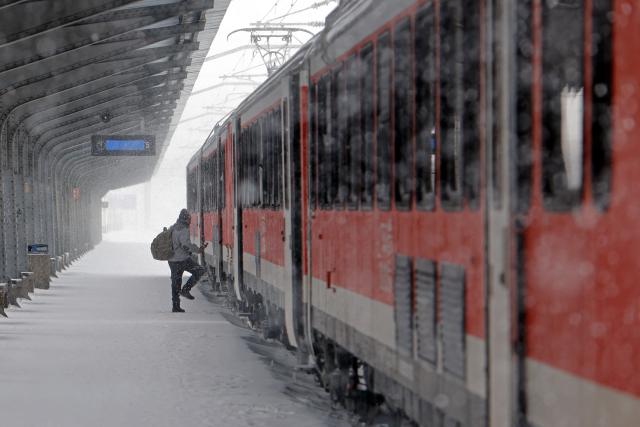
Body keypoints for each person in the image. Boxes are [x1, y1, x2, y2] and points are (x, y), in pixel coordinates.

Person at [168, 209, 207, 313]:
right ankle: (185, 290)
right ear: (186, 219)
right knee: (199, 270)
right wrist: (198, 250)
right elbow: (186, 245)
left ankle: (175, 306)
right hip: (182, 259)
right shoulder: (183, 229)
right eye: (189, 218)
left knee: (176, 282)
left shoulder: (173, 227)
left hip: (172, 260)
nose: (190, 220)